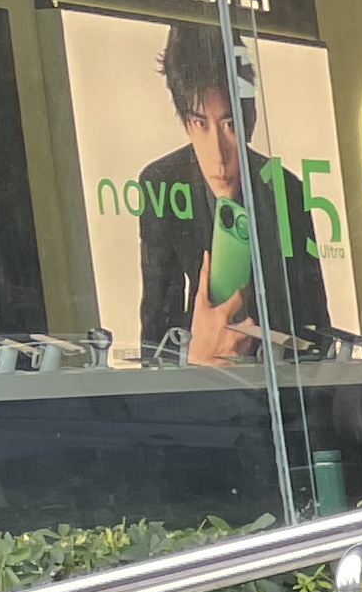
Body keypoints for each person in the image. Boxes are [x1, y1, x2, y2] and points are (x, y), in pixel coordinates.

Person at [133, 19, 330, 367]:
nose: (218, 153)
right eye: (200, 123)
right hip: (201, 375)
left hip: (280, 376)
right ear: (186, 123)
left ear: (248, 120)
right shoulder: (161, 182)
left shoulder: (286, 189)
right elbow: (155, 329)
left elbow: (316, 326)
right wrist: (195, 357)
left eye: (229, 124)